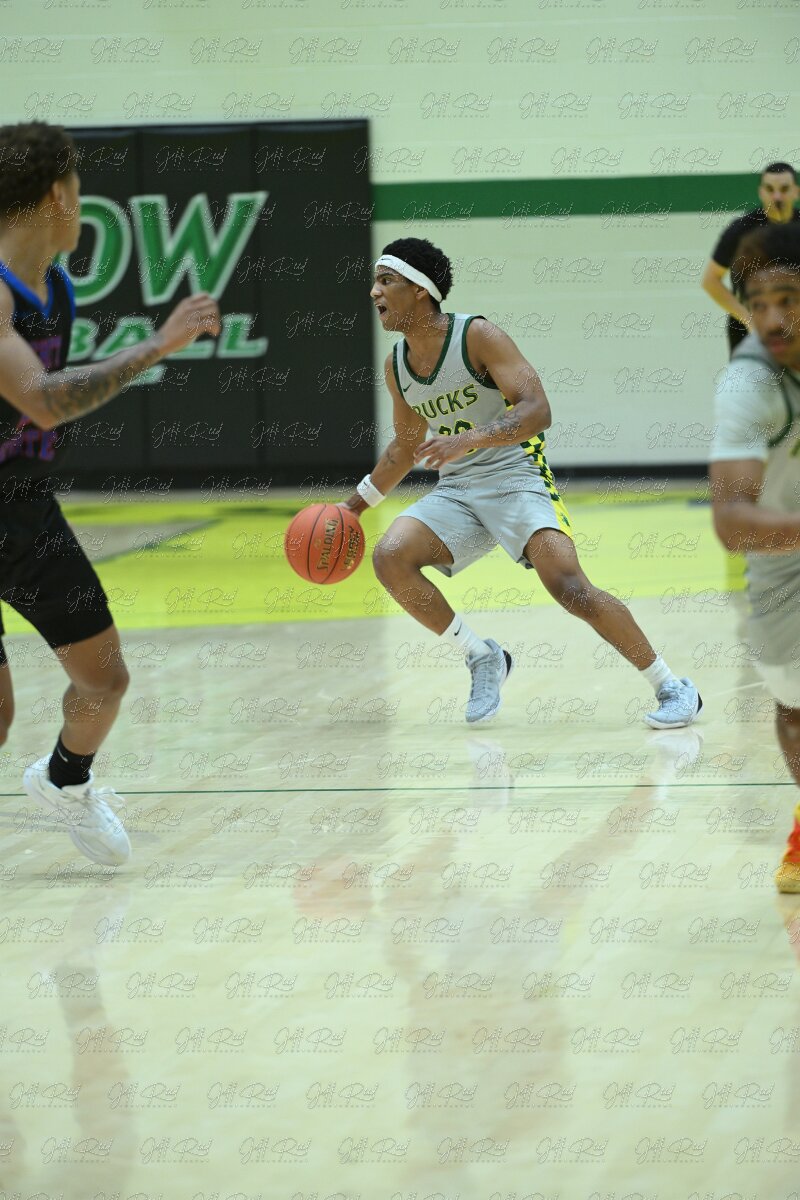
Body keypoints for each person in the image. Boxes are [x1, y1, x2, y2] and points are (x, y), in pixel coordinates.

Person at [344, 237, 702, 728]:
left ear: (420, 290)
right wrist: (352, 508)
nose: (374, 292)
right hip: (458, 490)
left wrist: (469, 439)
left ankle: (672, 687)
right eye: (375, 282)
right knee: (390, 557)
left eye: (386, 281)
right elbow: (404, 450)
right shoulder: (396, 366)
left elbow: (537, 410)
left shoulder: (478, 336)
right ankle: (481, 655)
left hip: (516, 476)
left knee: (569, 587)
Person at [0, 121, 220, 866]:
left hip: (25, 509)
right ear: (56, 194)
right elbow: (43, 401)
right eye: (79, 186)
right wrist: (157, 344)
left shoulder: (56, 285)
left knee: (105, 680)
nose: (82, 201)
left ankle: (65, 782)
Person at [708, 222, 800, 894]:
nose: (770, 320)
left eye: (787, 300)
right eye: (756, 304)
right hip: (783, 561)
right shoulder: (748, 383)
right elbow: (733, 521)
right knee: (794, 706)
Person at [701, 162, 800, 356]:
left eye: (784, 189)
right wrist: (748, 319)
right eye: (770, 189)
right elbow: (710, 281)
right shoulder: (741, 230)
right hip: (748, 330)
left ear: (796, 192)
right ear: (761, 192)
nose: (777, 197)